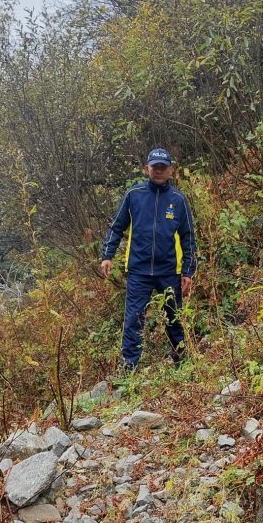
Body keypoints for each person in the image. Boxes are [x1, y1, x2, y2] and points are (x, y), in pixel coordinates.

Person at [101, 148, 197, 371]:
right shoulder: (133, 195)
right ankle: (129, 369)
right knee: (133, 320)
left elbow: (188, 237)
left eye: (163, 167)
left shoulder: (178, 200)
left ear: (170, 170)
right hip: (139, 271)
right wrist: (107, 255)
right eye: (155, 167)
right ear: (147, 168)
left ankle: (182, 364)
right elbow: (116, 226)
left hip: (169, 271)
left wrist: (188, 271)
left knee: (174, 319)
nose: (159, 171)